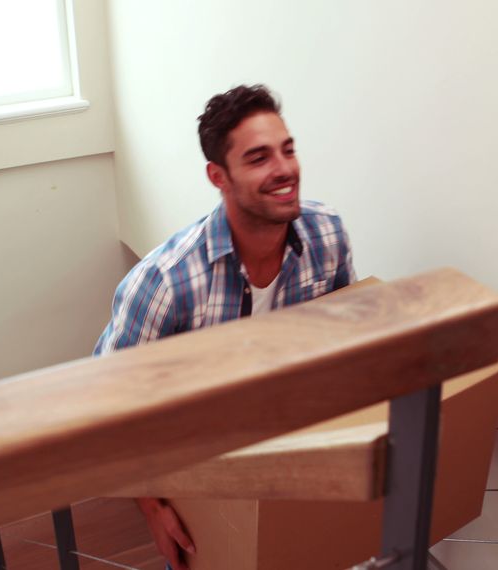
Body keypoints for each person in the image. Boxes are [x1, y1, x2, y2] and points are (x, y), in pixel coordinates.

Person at [93, 84, 356, 570]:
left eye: (288, 149)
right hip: (199, 456)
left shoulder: (328, 236)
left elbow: (345, 350)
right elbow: (109, 411)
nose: (284, 169)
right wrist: (153, 508)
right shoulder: (164, 283)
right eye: (258, 158)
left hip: (289, 445)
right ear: (219, 176)